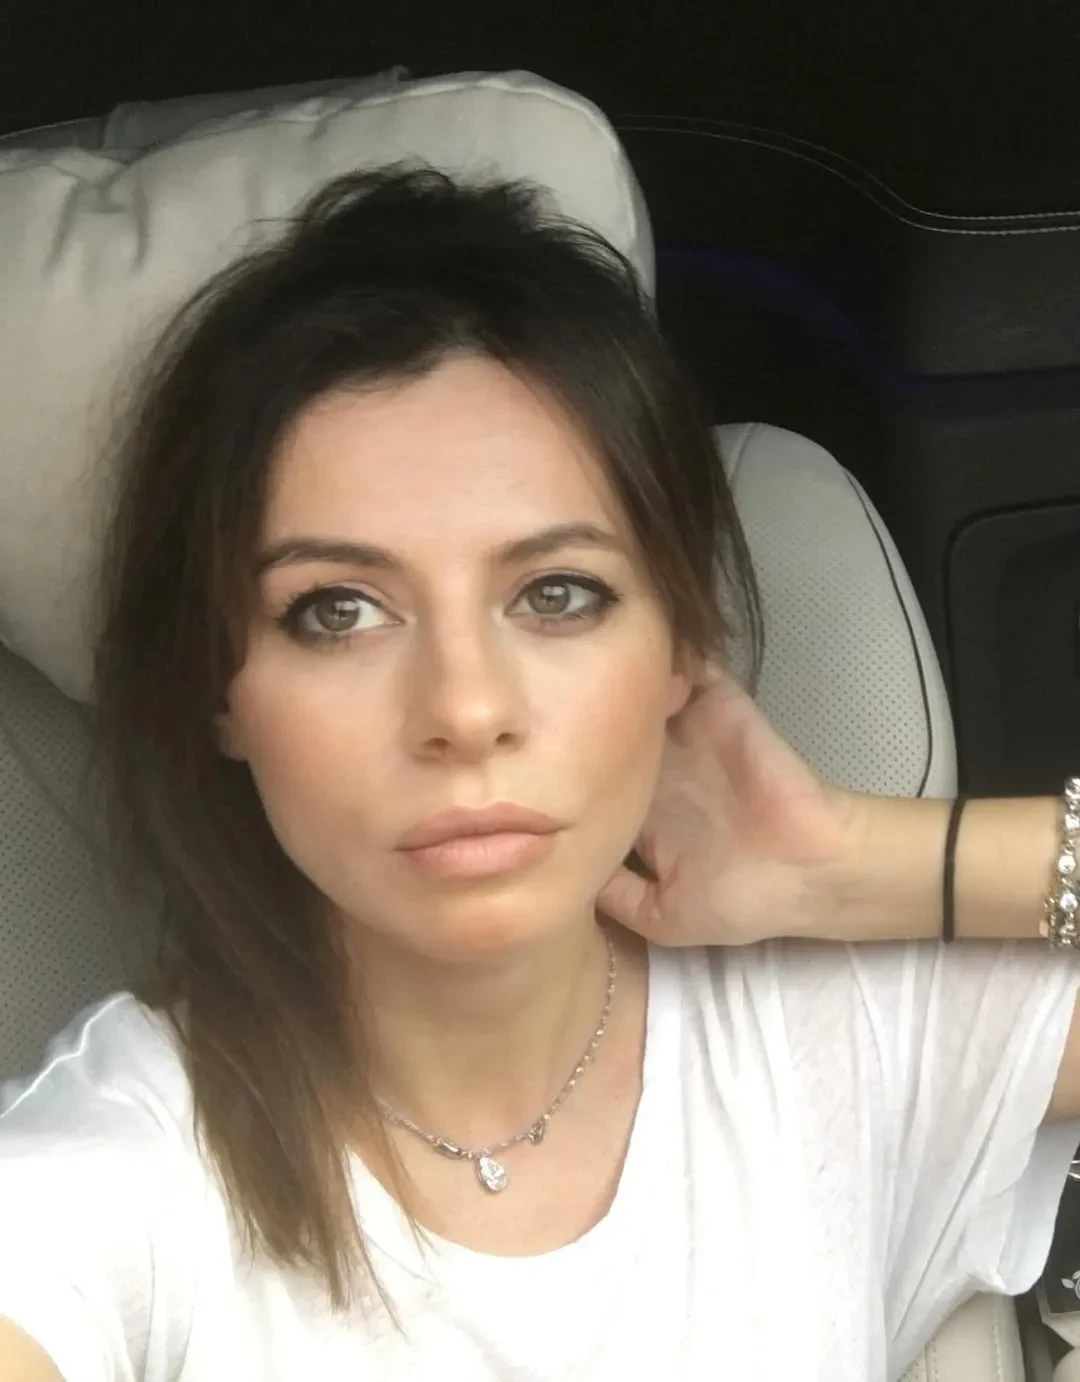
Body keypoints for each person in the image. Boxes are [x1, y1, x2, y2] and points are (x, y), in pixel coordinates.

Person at [0, 164, 1078, 1382]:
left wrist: (854, 862)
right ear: (222, 688)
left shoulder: (838, 1039)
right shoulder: (112, 1176)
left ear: (681, 650)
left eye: (557, 593)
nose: (465, 709)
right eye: (337, 609)